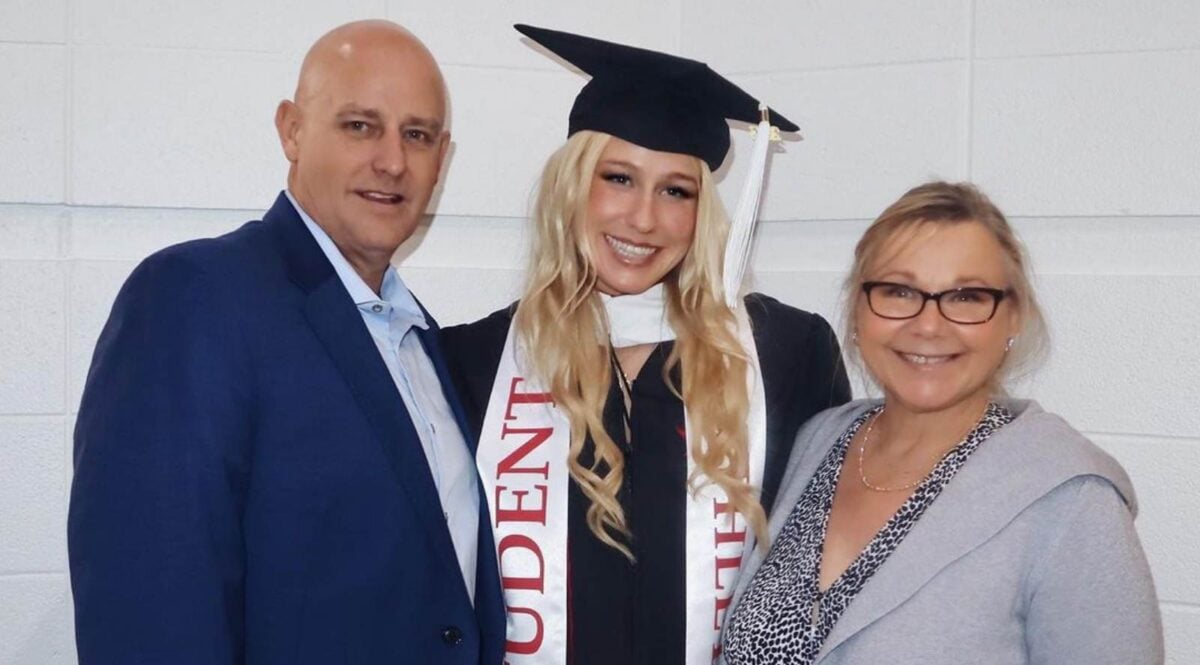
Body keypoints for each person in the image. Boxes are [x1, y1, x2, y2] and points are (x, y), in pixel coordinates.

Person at [68, 20, 504, 665]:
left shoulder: (422, 343)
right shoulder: (195, 297)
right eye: (360, 125)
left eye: (418, 135)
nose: (392, 160)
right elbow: (150, 604)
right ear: (292, 130)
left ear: (443, 158)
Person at [442, 25, 850, 665]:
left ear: (702, 209)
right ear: (573, 186)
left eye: (676, 190)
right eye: (619, 179)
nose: (644, 219)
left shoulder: (786, 355)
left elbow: (823, 570)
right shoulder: (474, 363)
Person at [719, 181, 1163, 664]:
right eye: (899, 291)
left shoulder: (1070, 502)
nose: (929, 324)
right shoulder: (816, 443)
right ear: (858, 313)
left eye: (967, 297)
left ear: (1012, 319)